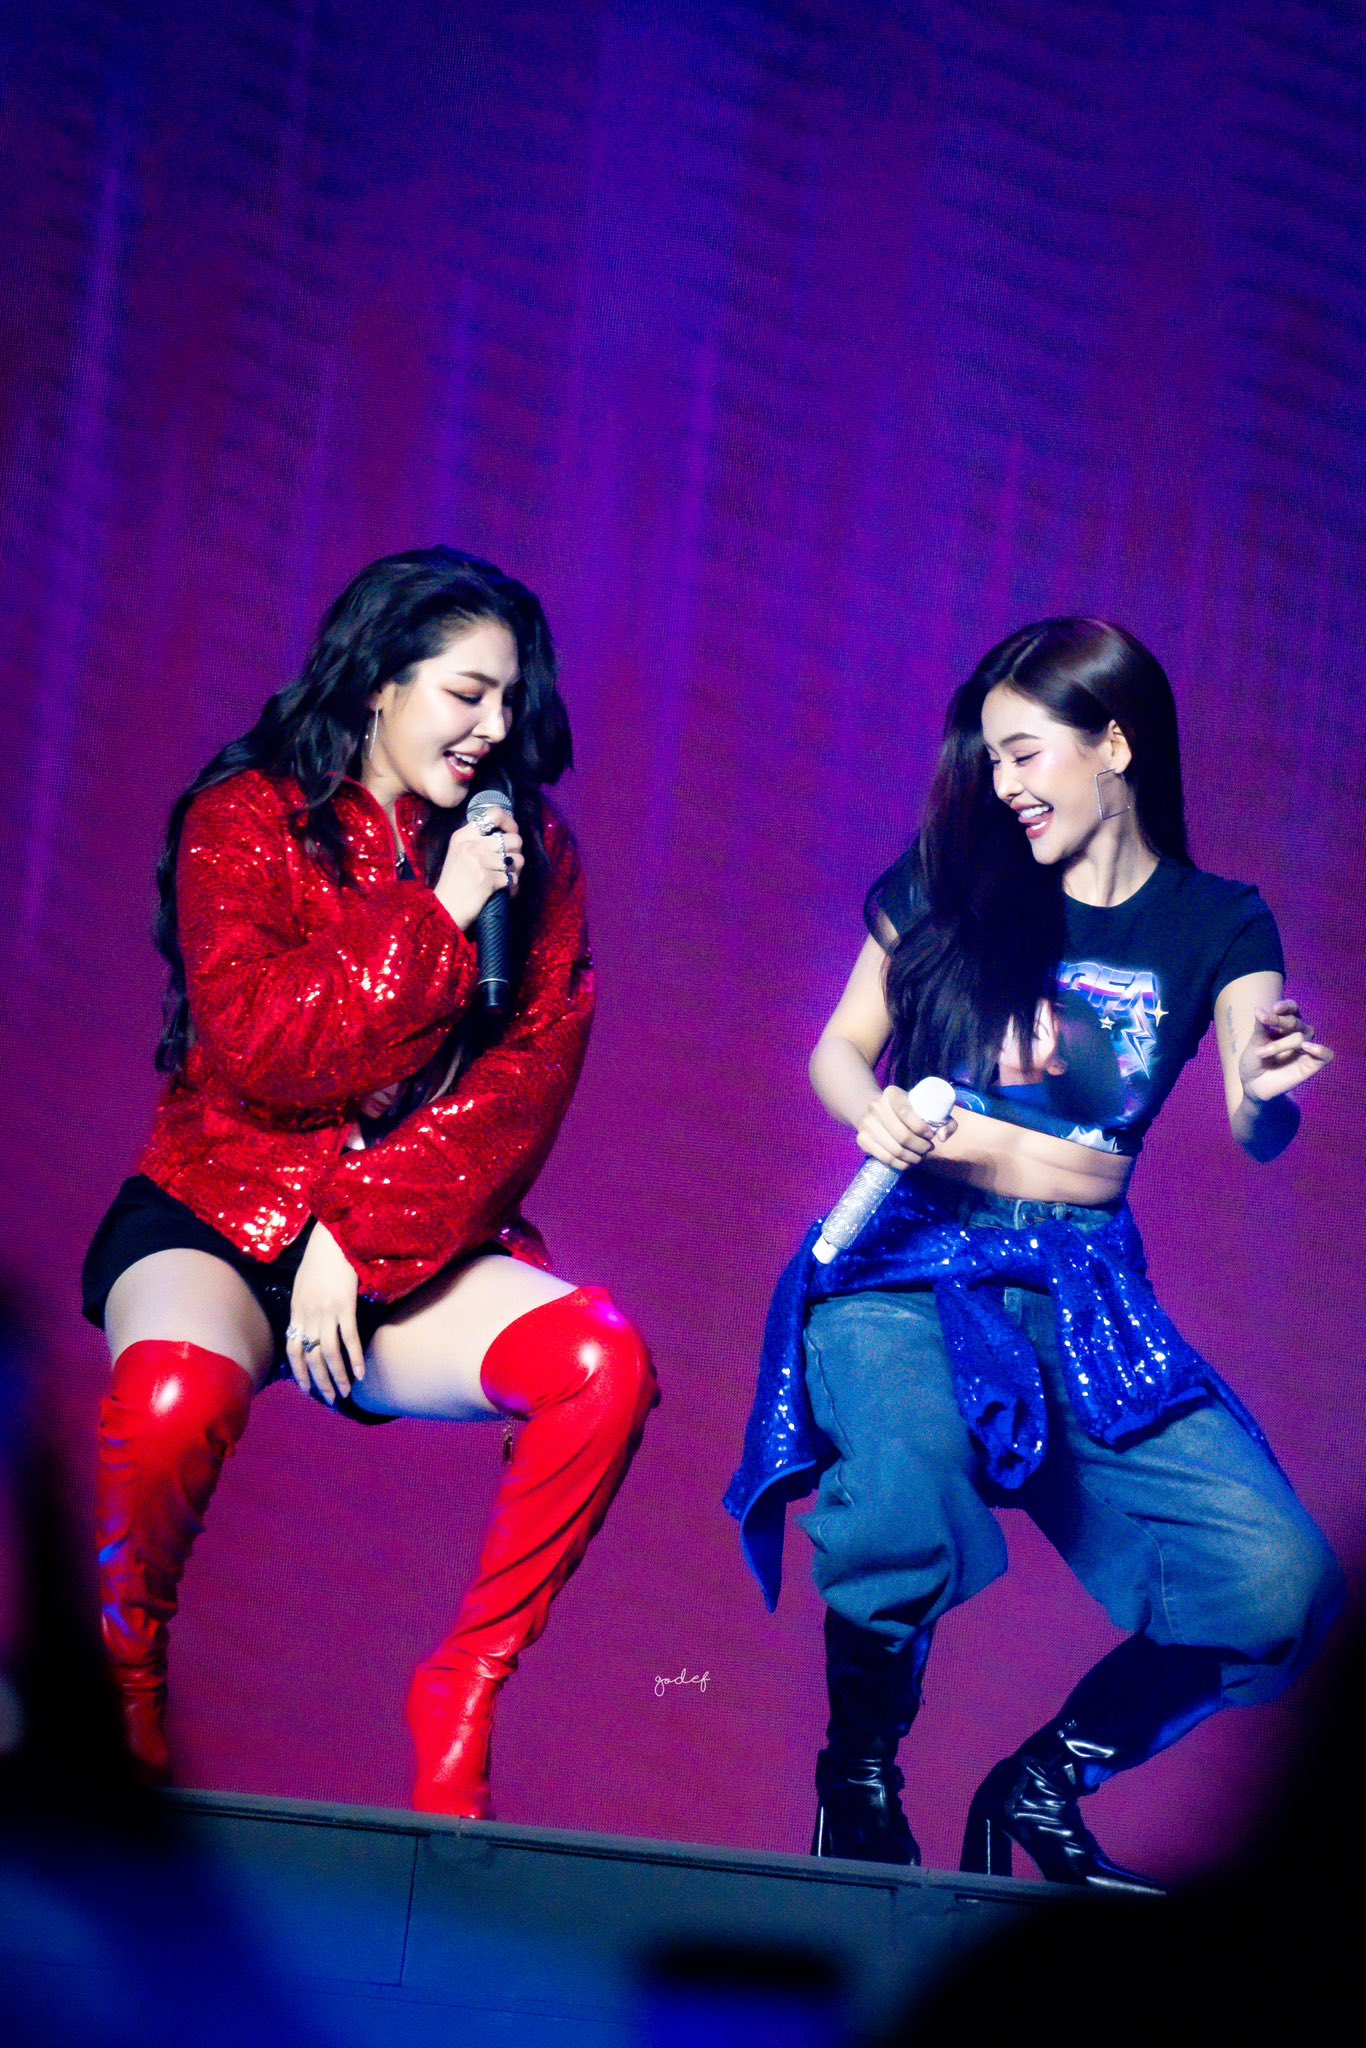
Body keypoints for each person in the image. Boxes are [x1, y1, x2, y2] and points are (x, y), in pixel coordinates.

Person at [725, 618, 1342, 1889]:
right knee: (901, 1498)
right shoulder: (953, 880)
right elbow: (840, 1046)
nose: (1002, 784)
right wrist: (869, 1110)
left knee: (1275, 1582)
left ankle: (1044, 1781)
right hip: (910, 1258)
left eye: (1023, 753)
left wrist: (1271, 1091)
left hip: (1084, 1285)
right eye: (989, 758)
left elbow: (1253, 1116)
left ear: (1113, 742)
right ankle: (860, 1779)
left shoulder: (1218, 921)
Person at [83, 547, 658, 1819]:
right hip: (221, 1203)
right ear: (378, 681)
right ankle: (121, 1699)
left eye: (511, 699)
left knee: (601, 1360)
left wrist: (361, 1231)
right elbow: (265, 1044)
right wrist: (436, 915)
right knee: (173, 1397)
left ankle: (463, 1685)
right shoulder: (243, 816)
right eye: (466, 692)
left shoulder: (529, 849)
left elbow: (524, 1082)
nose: (494, 727)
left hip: (404, 1230)